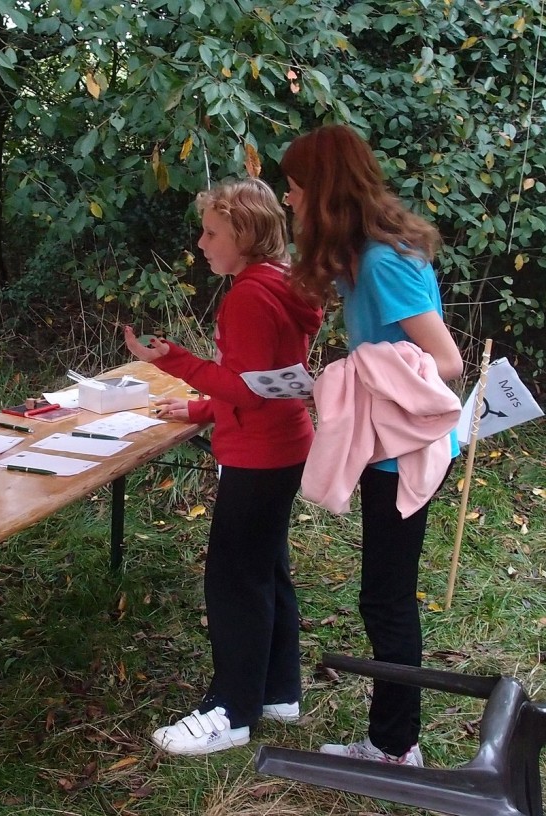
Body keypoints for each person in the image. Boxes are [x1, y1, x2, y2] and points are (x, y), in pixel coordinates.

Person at [281, 124, 464, 767]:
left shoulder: (384, 263)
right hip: (386, 443)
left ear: (324, 189)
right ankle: (392, 740)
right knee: (383, 596)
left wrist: (354, 376)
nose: (288, 199)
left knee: (386, 600)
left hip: (407, 451)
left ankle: (394, 747)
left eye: (295, 187)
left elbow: (446, 363)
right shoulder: (356, 257)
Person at [125, 177, 323, 755]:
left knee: (235, 581)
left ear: (246, 234)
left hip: (259, 453)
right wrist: (200, 407)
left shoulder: (250, 297)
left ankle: (231, 712)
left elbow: (250, 389)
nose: (201, 243)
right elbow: (268, 378)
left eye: (212, 233)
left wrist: (176, 361)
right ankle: (278, 691)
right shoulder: (280, 280)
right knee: (266, 570)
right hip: (282, 444)